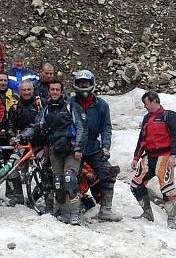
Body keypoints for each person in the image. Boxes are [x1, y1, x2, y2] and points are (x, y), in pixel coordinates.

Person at [18, 80, 85, 225]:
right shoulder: (46, 109)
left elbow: (80, 127)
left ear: (62, 91)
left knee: (69, 178)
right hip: (55, 149)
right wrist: (23, 135)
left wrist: (79, 147)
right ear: (48, 92)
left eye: (57, 89)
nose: (55, 92)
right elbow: (37, 125)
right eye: (52, 90)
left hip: (71, 149)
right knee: (58, 181)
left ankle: (75, 212)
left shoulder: (70, 106)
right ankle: (62, 211)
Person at [72, 70, 121, 221]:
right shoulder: (70, 103)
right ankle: (72, 207)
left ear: (92, 84)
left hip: (93, 146)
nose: (83, 86)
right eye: (81, 83)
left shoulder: (102, 105)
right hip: (74, 146)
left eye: (86, 83)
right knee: (72, 175)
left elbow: (106, 127)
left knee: (109, 172)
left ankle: (105, 209)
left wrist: (106, 146)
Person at [131, 91, 176, 229]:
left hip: (165, 155)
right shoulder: (146, 118)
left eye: (146, 103)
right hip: (149, 156)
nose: (145, 107)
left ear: (154, 101)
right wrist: (136, 157)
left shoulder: (169, 116)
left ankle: (171, 220)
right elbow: (141, 139)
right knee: (135, 185)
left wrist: (173, 155)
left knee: (167, 188)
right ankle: (147, 212)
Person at [7, 80, 53, 209]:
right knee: (11, 167)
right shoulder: (15, 107)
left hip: (40, 144)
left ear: (33, 90)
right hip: (22, 144)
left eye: (29, 90)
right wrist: (12, 137)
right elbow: (9, 125)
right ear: (19, 91)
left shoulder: (42, 104)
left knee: (44, 171)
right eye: (24, 90)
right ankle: (16, 196)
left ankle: (39, 198)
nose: (27, 93)